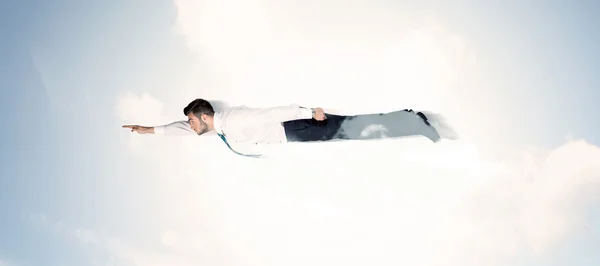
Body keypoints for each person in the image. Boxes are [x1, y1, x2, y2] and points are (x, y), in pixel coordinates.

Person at [122, 98, 457, 157]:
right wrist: (148, 130)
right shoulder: (218, 124)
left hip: (296, 126)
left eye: (192, 121)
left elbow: (270, 113)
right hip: (294, 133)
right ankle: (410, 120)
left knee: (354, 130)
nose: (190, 126)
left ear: (202, 116)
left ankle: (414, 121)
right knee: (354, 131)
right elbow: (181, 128)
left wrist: (308, 111)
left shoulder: (234, 120)